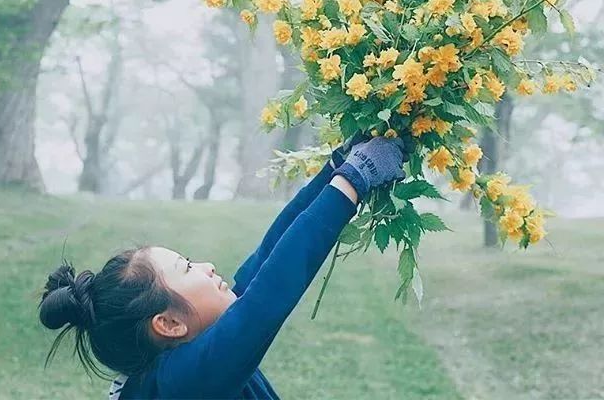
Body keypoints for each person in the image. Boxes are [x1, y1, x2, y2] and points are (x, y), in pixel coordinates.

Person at [38, 134, 406, 399]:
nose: (208, 266)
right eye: (186, 268)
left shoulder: (182, 354)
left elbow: (268, 259)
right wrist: (354, 181)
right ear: (168, 323)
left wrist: (337, 168)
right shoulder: (183, 384)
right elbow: (265, 300)